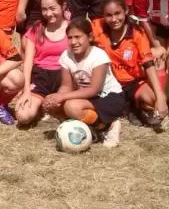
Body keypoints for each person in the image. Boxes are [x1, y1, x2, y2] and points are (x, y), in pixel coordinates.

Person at [42, 17, 126, 148]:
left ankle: (107, 126)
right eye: (70, 38)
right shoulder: (66, 56)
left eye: (78, 37)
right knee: (51, 104)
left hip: (109, 96)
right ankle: (81, 127)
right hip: (87, 96)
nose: (73, 42)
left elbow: (94, 90)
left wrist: (62, 97)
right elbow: (66, 86)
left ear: (90, 37)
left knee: (72, 107)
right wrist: (54, 99)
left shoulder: (99, 56)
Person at [92, 0, 168, 126]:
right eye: (109, 15)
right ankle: (126, 108)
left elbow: (148, 64)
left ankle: (134, 107)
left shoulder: (137, 33)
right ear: (103, 16)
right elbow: (79, 34)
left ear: (126, 11)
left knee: (152, 99)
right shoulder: (96, 27)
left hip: (132, 82)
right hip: (109, 83)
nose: (114, 19)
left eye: (118, 13)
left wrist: (160, 96)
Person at [14, 0, 70, 126]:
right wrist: (26, 90)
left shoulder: (72, 28)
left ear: (63, 6)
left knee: (69, 110)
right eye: (44, 9)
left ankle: (50, 106)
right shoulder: (36, 28)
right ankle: (40, 105)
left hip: (65, 78)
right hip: (41, 76)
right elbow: (27, 62)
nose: (49, 14)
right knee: (23, 116)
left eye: (53, 8)